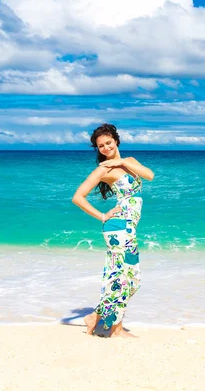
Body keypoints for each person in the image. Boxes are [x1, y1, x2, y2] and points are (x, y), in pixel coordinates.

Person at [72, 123, 154, 338]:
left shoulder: (130, 162)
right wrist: (102, 215)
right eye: (100, 146)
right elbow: (78, 197)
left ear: (116, 141)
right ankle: (116, 329)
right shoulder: (104, 169)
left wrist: (121, 161)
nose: (105, 148)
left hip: (129, 227)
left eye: (108, 143)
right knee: (123, 277)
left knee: (132, 279)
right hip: (118, 227)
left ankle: (96, 317)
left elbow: (150, 175)